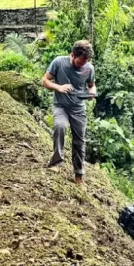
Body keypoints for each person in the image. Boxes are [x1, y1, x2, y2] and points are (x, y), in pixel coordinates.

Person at [42, 40, 96, 186]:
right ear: (72, 55)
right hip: (61, 105)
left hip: (78, 108)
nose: (81, 66)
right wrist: (58, 87)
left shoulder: (89, 68)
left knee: (79, 141)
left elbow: (91, 85)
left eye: (84, 64)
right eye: (79, 63)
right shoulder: (58, 62)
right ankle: (56, 163)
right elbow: (45, 80)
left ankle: (79, 174)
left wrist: (92, 92)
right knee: (60, 127)